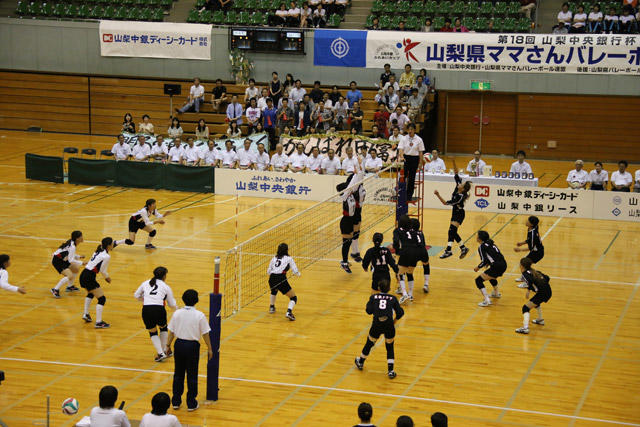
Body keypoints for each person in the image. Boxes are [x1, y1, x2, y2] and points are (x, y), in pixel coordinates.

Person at [165, 289, 213, 412]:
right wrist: (210, 348)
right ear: (196, 300)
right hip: (192, 347)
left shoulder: (177, 313)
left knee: (178, 374)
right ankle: (191, 403)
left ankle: (175, 401)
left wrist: (168, 345)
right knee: (192, 375)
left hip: (179, 344)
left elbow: (172, 332)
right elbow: (205, 334)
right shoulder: (199, 315)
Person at [354, 278, 404, 379]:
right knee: (389, 346)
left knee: (370, 343)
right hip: (389, 324)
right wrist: (394, 320)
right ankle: (391, 371)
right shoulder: (393, 298)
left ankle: (361, 362)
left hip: (377, 323)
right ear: (389, 288)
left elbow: (368, 311)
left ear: (378, 288)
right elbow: (400, 313)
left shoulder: (373, 297)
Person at [134, 266, 177, 362]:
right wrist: (177, 310)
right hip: (159, 309)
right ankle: (165, 350)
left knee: (152, 332)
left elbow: (136, 295)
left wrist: (145, 300)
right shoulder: (166, 286)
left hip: (146, 309)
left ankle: (161, 353)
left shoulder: (145, 283)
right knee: (163, 328)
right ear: (164, 276)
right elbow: (172, 304)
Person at [434, 159, 471, 259]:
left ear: (462, 189)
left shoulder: (459, 197)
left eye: (461, 185)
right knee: (452, 232)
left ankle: (448, 250)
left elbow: (445, 203)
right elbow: (456, 173)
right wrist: (454, 162)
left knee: (451, 231)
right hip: (455, 212)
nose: (460, 184)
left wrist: (438, 195)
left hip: (459, 214)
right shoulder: (458, 188)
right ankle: (463, 248)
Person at [80, 237, 114, 329]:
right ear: (108, 245)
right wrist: (107, 278)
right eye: (112, 243)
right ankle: (99, 322)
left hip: (84, 274)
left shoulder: (99, 250)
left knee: (91, 293)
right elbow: (102, 270)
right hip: (89, 277)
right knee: (102, 299)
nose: (113, 244)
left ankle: (86, 314)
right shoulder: (106, 256)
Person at [515, 257, 552, 334]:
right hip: (548, 291)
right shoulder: (535, 271)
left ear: (521, 266)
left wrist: (528, 290)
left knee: (525, 308)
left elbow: (530, 281)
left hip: (542, 293)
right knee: (535, 303)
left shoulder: (525, 274)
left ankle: (525, 328)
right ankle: (540, 320)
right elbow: (547, 278)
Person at [337, 166, 363, 273]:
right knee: (346, 243)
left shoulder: (350, 193)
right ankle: (344, 262)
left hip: (351, 220)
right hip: (346, 221)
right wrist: (356, 174)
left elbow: (355, 182)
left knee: (351, 240)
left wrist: (358, 171)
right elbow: (352, 183)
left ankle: (348, 259)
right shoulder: (345, 196)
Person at [392, 215, 422, 303]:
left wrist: (397, 250)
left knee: (400, 274)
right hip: (415, 252)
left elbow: (396, 242)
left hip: (406, 251)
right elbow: (419, 242)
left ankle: (404, 294)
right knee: (410, 273)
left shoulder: (397, 230)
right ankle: (411, 294)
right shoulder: (413, 231)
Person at [267, 243, 300, 320]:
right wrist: (298, 274)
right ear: (287, 250)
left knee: (274, 290)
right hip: (281, 278)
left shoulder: (274, 258)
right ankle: (289, 312)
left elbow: (268, 271)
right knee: (293, 297)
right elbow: (295, 271)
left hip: (272, 278)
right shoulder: (289, 258)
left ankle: (272, 307)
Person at [474, 230, 507, 307]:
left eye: (477, 236)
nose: (476, 237)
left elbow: (484, 260)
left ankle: (487, 300)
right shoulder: (491, 243)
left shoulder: (481, 247)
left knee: (478, 280)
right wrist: (488, 263)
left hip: (496, 266)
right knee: (491, 276)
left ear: (479, 238)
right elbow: (494, 255)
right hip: (503, 264)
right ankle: (496, 293)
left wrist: (478, 267)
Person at [50, 230, 84, 298]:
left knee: (76, 269)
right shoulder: (72, 246)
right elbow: (70, 260)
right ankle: (55, 289)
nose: (82, 238)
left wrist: (78, 257)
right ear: (77, 238)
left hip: (63, 260)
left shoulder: (72, 243)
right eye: (81, 236)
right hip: (57, 261)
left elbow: (69, 254)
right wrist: (82, 263)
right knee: (70, 275)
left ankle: (70, 287)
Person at [514, 215, 544, 286]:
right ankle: (524, 278)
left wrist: (520, 249)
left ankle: (527, 282)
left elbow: (531, 248)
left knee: (524, 264)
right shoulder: (531, 228)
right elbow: (529, 240)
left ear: (531, 224)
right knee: (524, 264)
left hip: (537, 253)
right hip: (536, 251)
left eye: (528, 221)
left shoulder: (533, 234)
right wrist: (522, 243)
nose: (526, 221)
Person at [398, 123, 425, 202]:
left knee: (412, 178)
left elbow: (420, 152)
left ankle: (409, 196)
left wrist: (420, 163)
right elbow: (400, 149)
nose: (410, 131)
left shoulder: (419, 139)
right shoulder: (404, 138)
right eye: (408, 129)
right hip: (406, 158)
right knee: (403, 176)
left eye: (411, 129)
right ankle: (401, 194)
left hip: (414, 159)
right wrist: (402, 156)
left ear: (414, 130)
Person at [411, 218, 431, 294]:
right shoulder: (421, 233)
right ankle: (426, 284)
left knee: (409, 271)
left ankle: (405, 289)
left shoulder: (410, 233)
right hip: (423, 251)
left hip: (414, 252)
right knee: (426, 265)